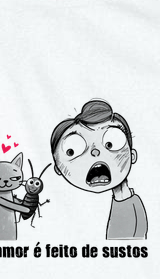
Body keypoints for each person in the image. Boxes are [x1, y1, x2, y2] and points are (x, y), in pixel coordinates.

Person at [50, 99, 148, 239]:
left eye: (110, 143)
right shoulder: (64, 211)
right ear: (58, 168)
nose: (95, 152)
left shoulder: (130, 206)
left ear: (132, 156)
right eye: (72, 150)